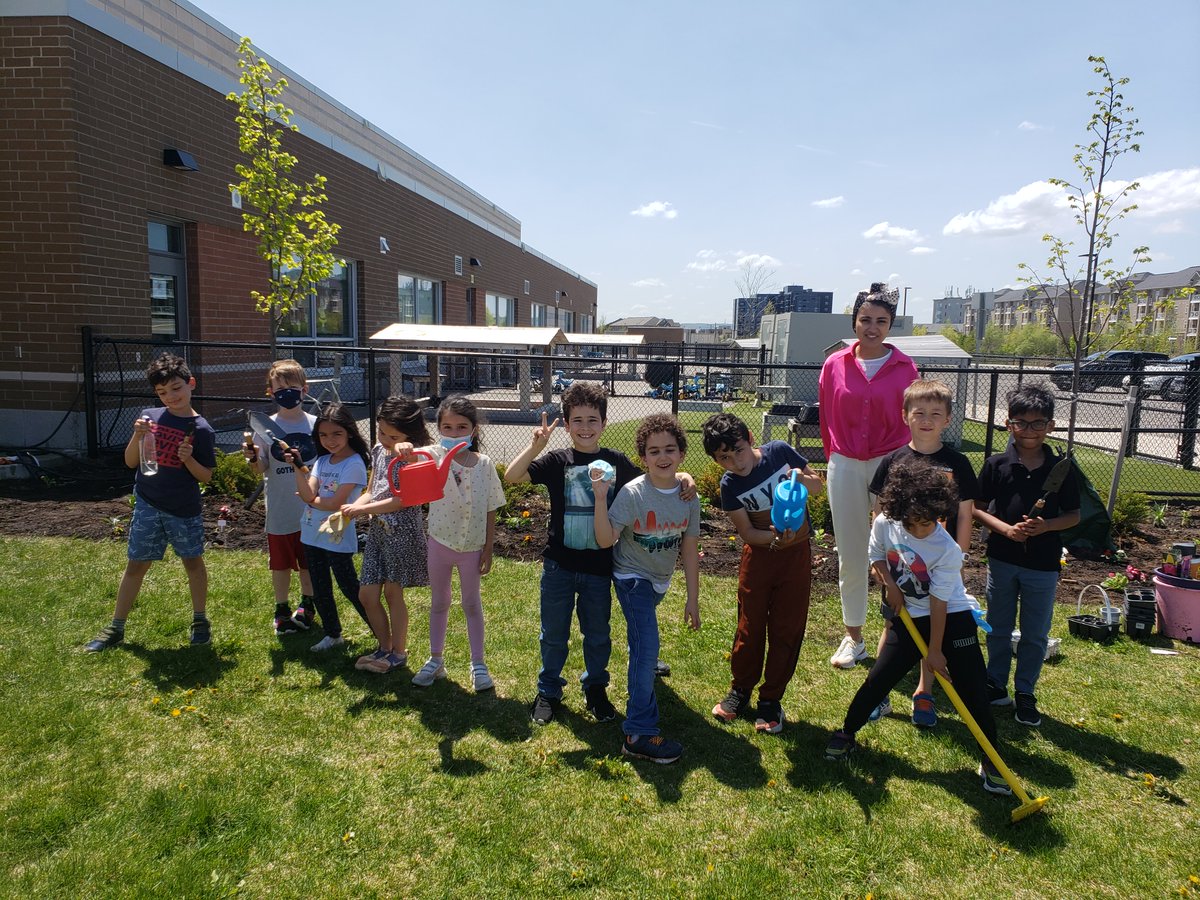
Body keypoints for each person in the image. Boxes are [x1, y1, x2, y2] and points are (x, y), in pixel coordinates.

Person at [504, 381, 695, 726]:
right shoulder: (556, 460)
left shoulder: (616, 462)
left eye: (593, 420)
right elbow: (512, 475)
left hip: (599, 569)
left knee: (597, 634)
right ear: (566, 424)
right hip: (559, 565)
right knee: (553, 634)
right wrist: (536, 445)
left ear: (604, 423)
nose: (585, 428)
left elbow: (655, 476)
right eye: (577, 420)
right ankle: (548, 691)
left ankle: (595, 689)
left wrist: (684, 474)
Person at [824, 463, 1012, 797]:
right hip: (909, 615)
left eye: (927, 523)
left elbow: (939, 603)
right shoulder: (887, 522)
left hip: (951, 617)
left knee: (972, 690)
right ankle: (847, 732)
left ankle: (990, 757)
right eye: (912, 523)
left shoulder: (946, 549)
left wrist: (936, 652)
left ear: (940, 515)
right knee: (878, 678)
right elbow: (876, 554)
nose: (919, 530)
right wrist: (890, 584)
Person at [866, 378, 979, 728]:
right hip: (899, 564)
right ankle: (878, 693)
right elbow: (879, 513)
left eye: (935, 413)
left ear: (947, 419)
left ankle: (923, 691)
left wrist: (958, 558)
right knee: (894, 622)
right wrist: (882, 565)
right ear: (905, 416)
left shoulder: (957, 463)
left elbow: (965, 513)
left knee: (931, 628)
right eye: (919, 412)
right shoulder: (893, 460)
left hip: (939, 566)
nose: (927, 419)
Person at [702, 412, 824, 733]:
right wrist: (773, 538)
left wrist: (800, 477)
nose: (735, 462)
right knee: (749, 625)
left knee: (787, 627)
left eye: (738, 451)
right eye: (724, 458)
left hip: (796, 558)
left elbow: (817, 488)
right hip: (758, 558)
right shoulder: (730, 485)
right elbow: (746, 532)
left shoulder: (780, 453)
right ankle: (740, 690)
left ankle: (771, 700)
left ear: (750, 440)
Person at [85, 354, 217, 651]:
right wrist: (136, 435)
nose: (170, 397)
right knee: (135, 566)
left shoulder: (202, 429)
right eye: (161, 392)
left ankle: (200, 621)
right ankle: (116, 627)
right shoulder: (149, 417)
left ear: (191, 384)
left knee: (193, 563)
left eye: (176, 388)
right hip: (147, 504)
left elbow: (206, 476)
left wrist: (188, 459)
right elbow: (131, 461)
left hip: (183, 509)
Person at [819, 282, 919, 670]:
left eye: (880, 321)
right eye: (865, 320)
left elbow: (911, 421)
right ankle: (854, 637)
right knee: (851, 552)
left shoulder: (906, 368)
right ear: (855, 322)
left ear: (890, 325)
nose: (872, 327)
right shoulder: (835, 364)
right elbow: (827, 417)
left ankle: (900, 634)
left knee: (895, 551)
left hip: (890, 465)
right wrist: (835, 460)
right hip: (843, 464)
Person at [592, 414, 701, 763]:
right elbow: (607, 538)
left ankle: (647, 663)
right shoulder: (632, 493)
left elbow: (689, 547)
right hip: (631, 578)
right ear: (643, 458)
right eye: (654, 451)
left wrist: (693, 598)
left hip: (659, 580)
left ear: (682, 453)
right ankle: (638, 732)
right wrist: (599, 498)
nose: (662, 456)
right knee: (645, 643)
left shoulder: (688, 495)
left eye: (670, 449)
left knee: (644, 639)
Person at [974, 383, 1080, 728]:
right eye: (1021, 423)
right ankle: (995, 683)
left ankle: (1025, 692)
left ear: (1050, 425)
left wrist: (1046, 526)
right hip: (1002, 560)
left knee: (1035, 634)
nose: (1029, 430)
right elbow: (976, 508)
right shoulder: (996, 464)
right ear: (1009, 425)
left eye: (1037, 423)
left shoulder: (1061, 467)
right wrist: (1004, 529)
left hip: (1043, 565)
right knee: (998, 627)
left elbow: (1074, 515)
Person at [412, 396, 507, 693]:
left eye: (461, 427)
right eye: (447, 427)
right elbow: (407, 453)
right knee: (439, 602)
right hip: (439, 544)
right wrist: (403, 449)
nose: (454, 433)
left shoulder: (485, 465)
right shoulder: (431, 457)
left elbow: (492, 506)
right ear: (438, 428)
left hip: (472, 549)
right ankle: (435, 659)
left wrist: (488, 548)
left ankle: (478, 664)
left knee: (471, 604)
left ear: (474, 430)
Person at [340, 396, 432, 674]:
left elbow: (402, 501)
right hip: (379, 532)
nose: (386, 439)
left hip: (402, 532)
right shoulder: (380, 450)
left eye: (394, 436)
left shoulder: (413, 457)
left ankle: (398, 653)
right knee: (367, 595)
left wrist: (363, 510)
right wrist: (358, 505)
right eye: (381, 432)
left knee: (393, 594)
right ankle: (384, 647)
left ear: (410, 435)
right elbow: (372, 488)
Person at [243, 359, 318, 636]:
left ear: (304, 389)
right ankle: (281, 608)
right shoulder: (265, 427)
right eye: (280, 388)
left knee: (308, 562)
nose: (286, 392)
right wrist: (251, 459)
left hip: (311, 508)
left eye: (292, 387)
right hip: (280, 508)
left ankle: (308, 604)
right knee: (281, 564)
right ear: (270, 393)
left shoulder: (315, 425)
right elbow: (260, 469)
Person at [290, 403, 370, 652]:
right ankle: (332, 633)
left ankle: (382, 634)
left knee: (349, 586)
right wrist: (296, 467)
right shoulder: (322, 461)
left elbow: (334, 503)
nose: (330, 440)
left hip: (337, 536)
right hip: (311, 533)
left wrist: (311, 499)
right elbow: (307, 493)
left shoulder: (354, 463)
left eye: (337, 434)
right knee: (320, 587)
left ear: (349, 433)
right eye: (323, 435)